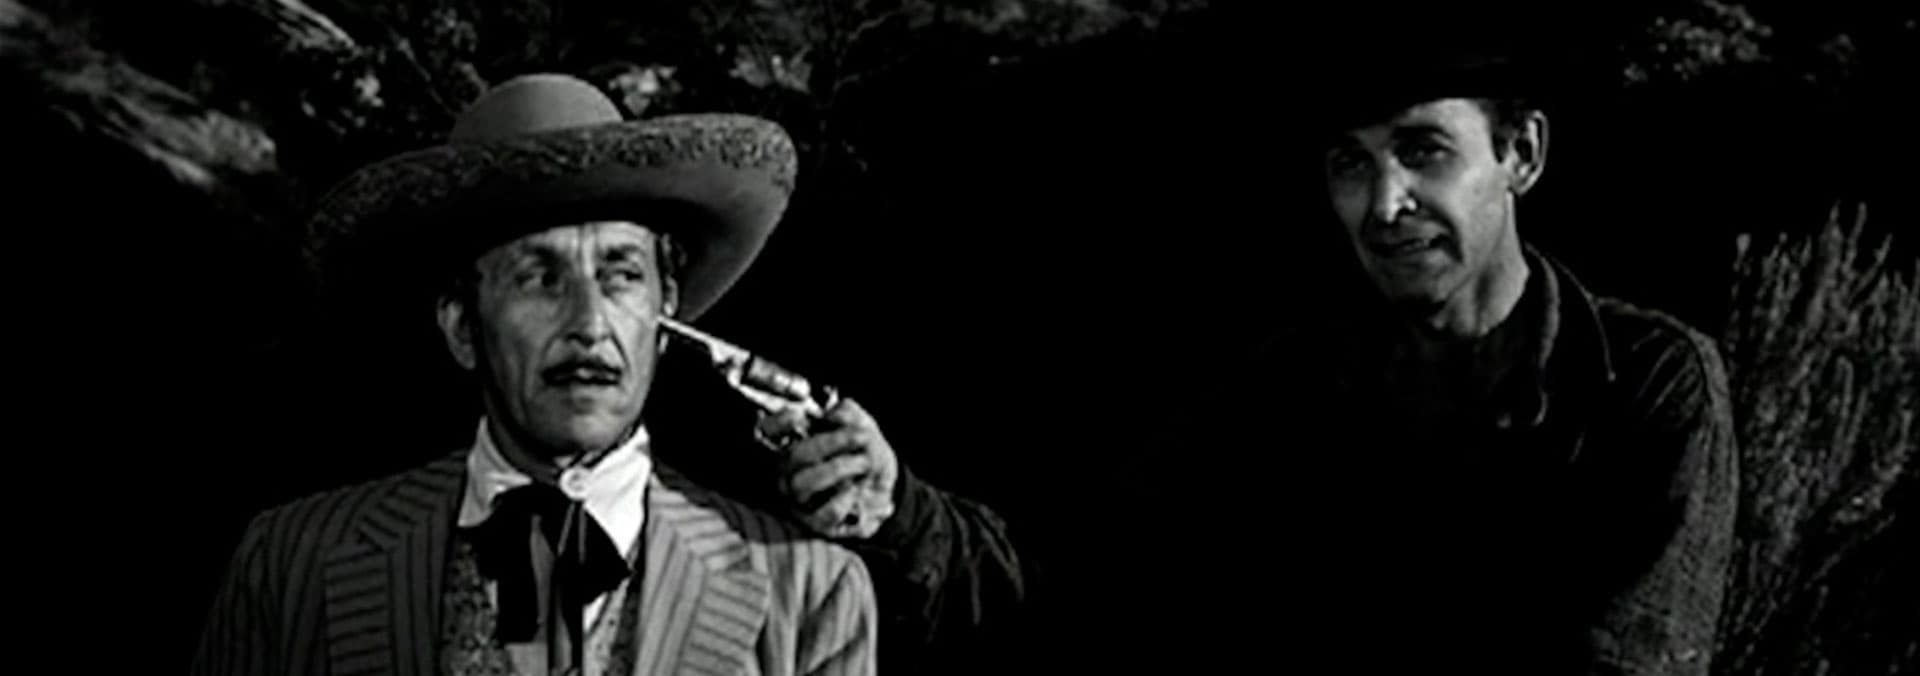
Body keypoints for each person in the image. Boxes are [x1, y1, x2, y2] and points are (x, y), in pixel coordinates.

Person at [192, 74, 878, 676]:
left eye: (621, 274)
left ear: (665, 308)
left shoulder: (809, 594)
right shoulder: (292, 565)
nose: (589, 323)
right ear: (463, 326)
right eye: (539, 277)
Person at [1180, 10, 1740, 675]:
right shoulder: (1286, 389)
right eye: (1351, 163)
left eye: (1423, 151)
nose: (1384, 205)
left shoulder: (1638, 381)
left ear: (1522, 153)